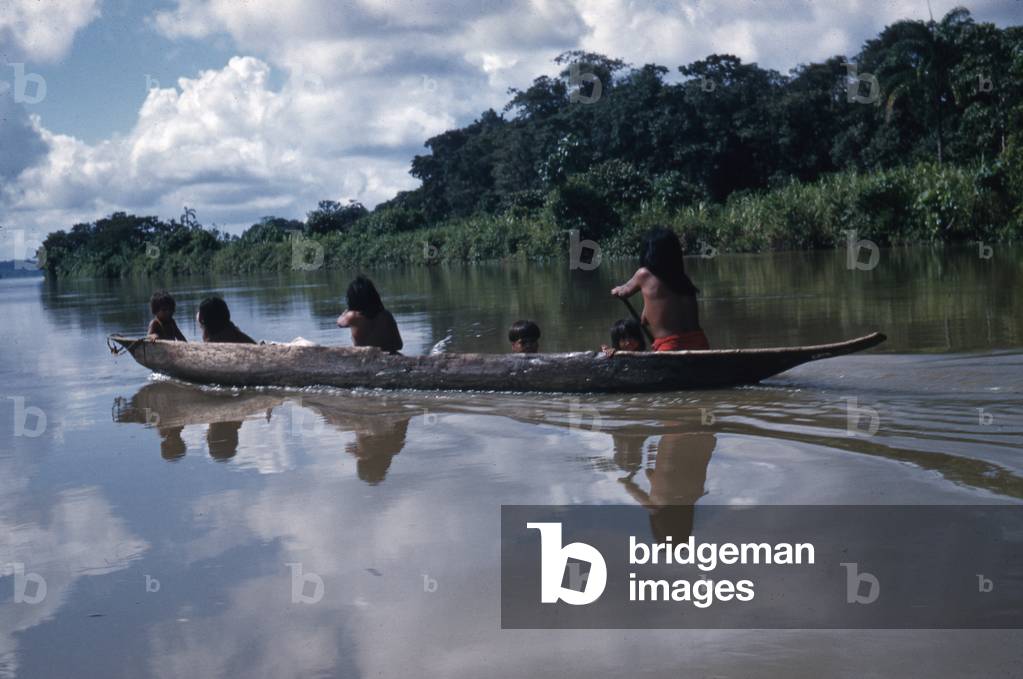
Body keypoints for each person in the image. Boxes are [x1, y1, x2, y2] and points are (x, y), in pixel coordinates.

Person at [610, 228, 709, 351]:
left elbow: (623, 291)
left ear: (648, 252)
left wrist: (616, 290)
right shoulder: (683, 278)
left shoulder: (643, 274)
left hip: (671, 346)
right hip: (700, 342)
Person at [336, 275, 403, 353]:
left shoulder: (352, 316)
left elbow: (339, 322)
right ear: (374, 295)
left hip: (365, 357)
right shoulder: (386, 315)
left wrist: (346, 311)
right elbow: (399, 345)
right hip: (390, 354)